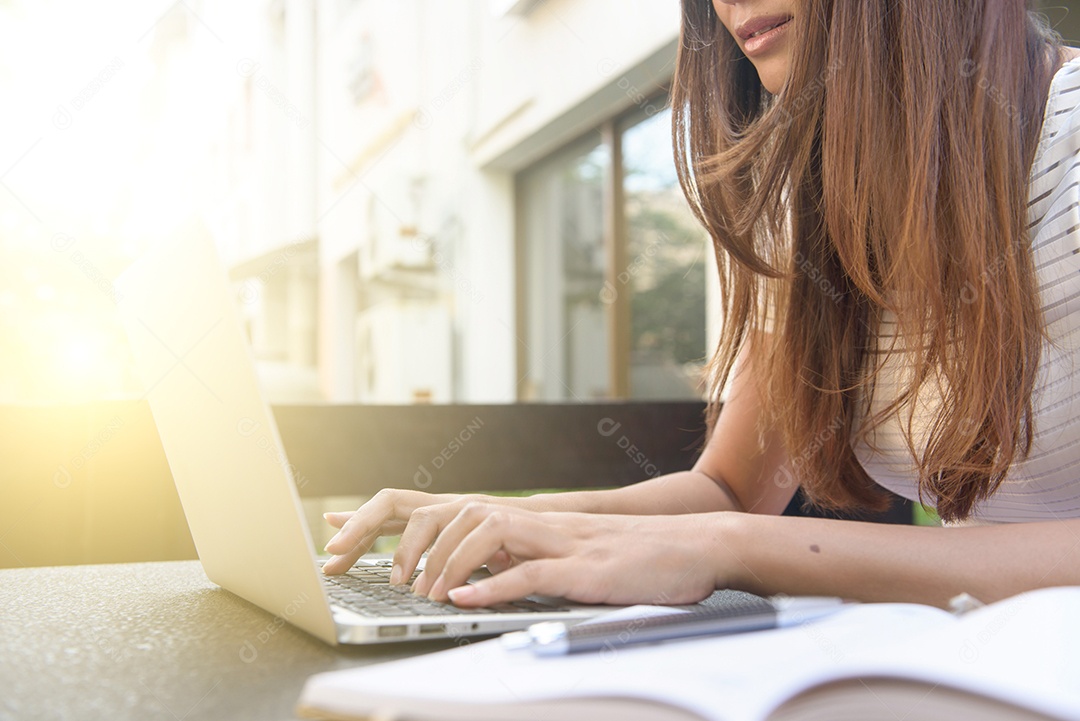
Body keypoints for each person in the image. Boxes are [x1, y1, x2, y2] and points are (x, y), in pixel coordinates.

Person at [321, 0, 1080, 609]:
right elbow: (731, 489)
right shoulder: (813, 200)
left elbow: (728, 524)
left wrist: (729, 548)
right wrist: (516, 518)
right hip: (988, 664)